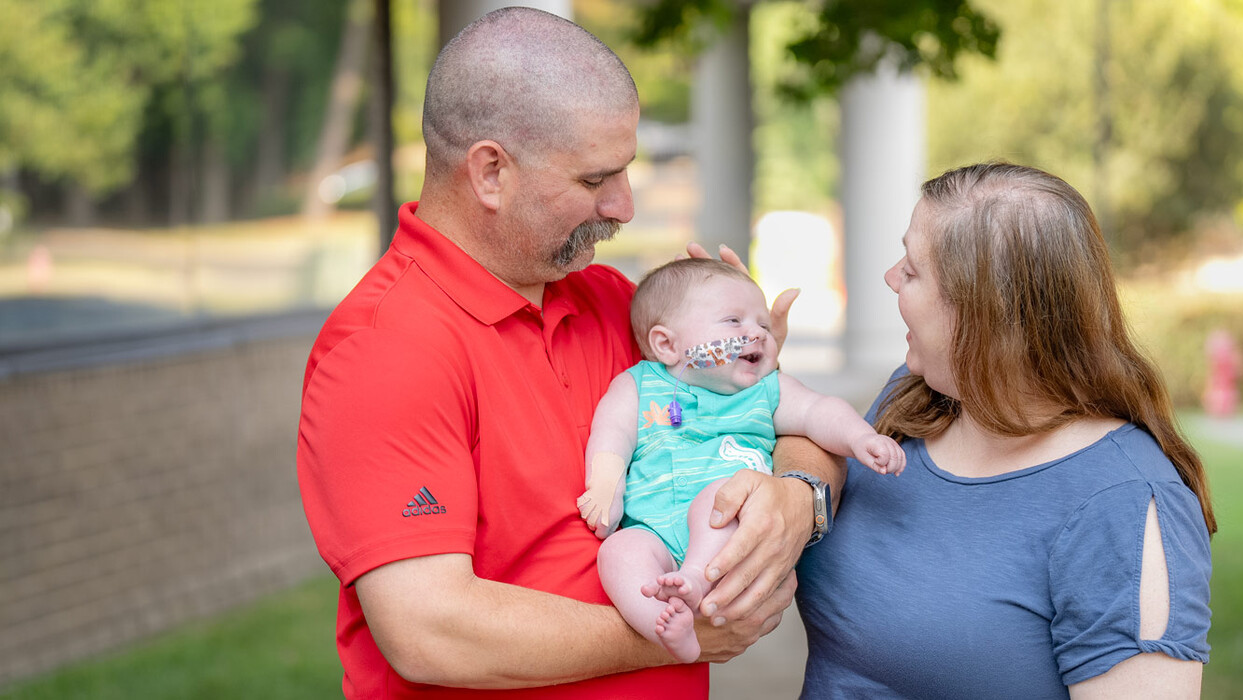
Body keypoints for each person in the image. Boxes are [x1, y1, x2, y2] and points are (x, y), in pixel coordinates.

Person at [296, 8, 840, 698]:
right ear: (490, 172)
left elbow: (801, 423)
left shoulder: (619, 305)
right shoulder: (385, 350)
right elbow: (430, 629)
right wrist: (672, 638)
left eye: (626, 172)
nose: (624, 206)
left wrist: (795, 501)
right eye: (594, 180)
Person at [796, 162, 1216, 698]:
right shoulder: (912, 400)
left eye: (914, 267)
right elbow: (804, 437)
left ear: (984, 311)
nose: (891, 276)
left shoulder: (1124, 504)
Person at [576, 258, 904, 663]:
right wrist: (607, 485)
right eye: (733, 321)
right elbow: (612, 433)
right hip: (652, 532)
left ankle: (695, 578)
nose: (757, 334)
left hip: (729, 534)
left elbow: (819, 411)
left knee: (726, 494)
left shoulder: (765, 391)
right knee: (619, 553)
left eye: (763, 326)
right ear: (667, 344)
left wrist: (860, 437)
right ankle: (664, 626)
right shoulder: (638, 385)